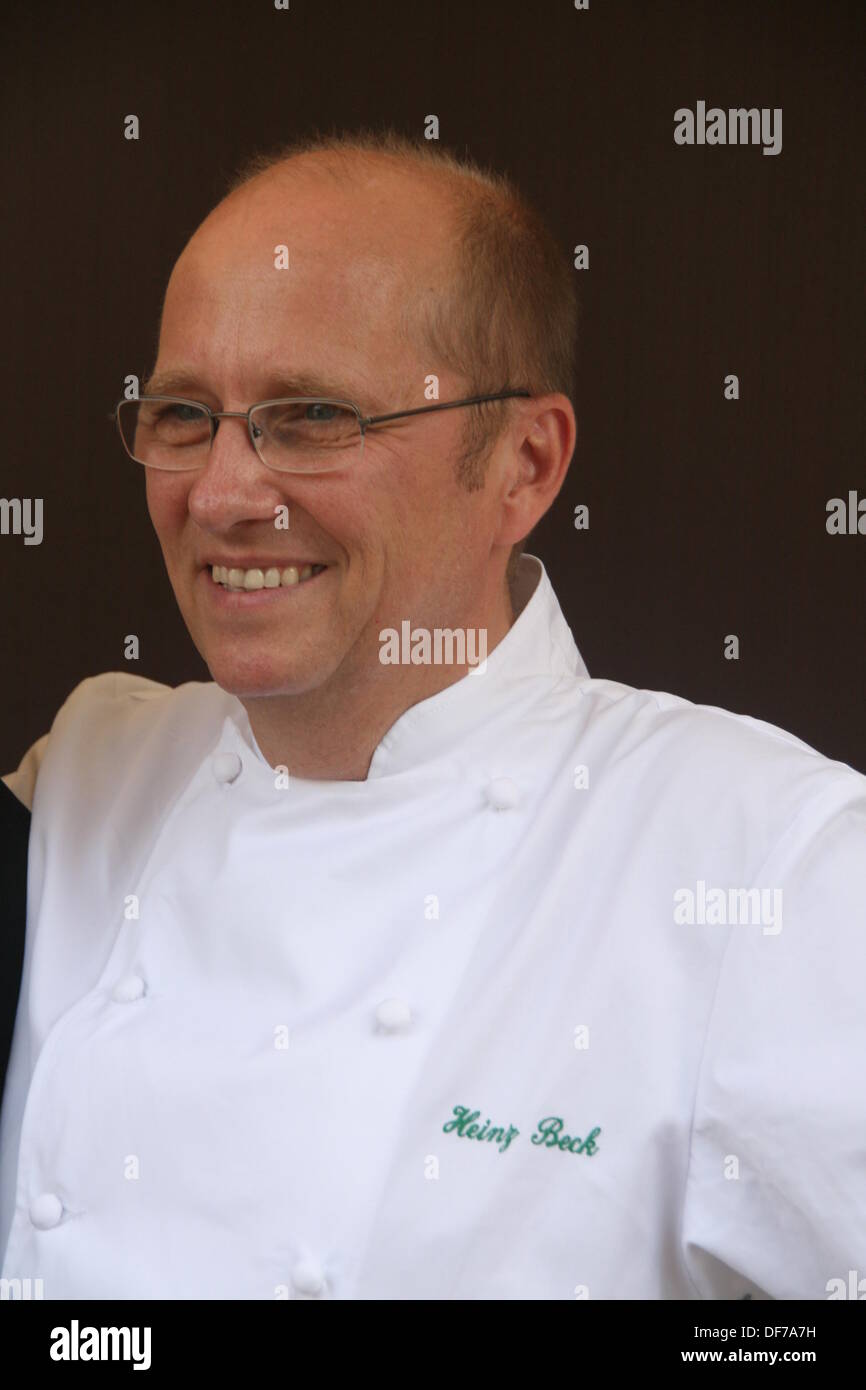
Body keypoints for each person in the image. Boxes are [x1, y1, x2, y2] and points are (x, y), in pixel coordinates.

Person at [1, 129, 864, 1301]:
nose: (221, 493)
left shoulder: (773, 857)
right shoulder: (96, 768)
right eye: (184, 413)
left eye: (311, 416)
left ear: (522, 462)